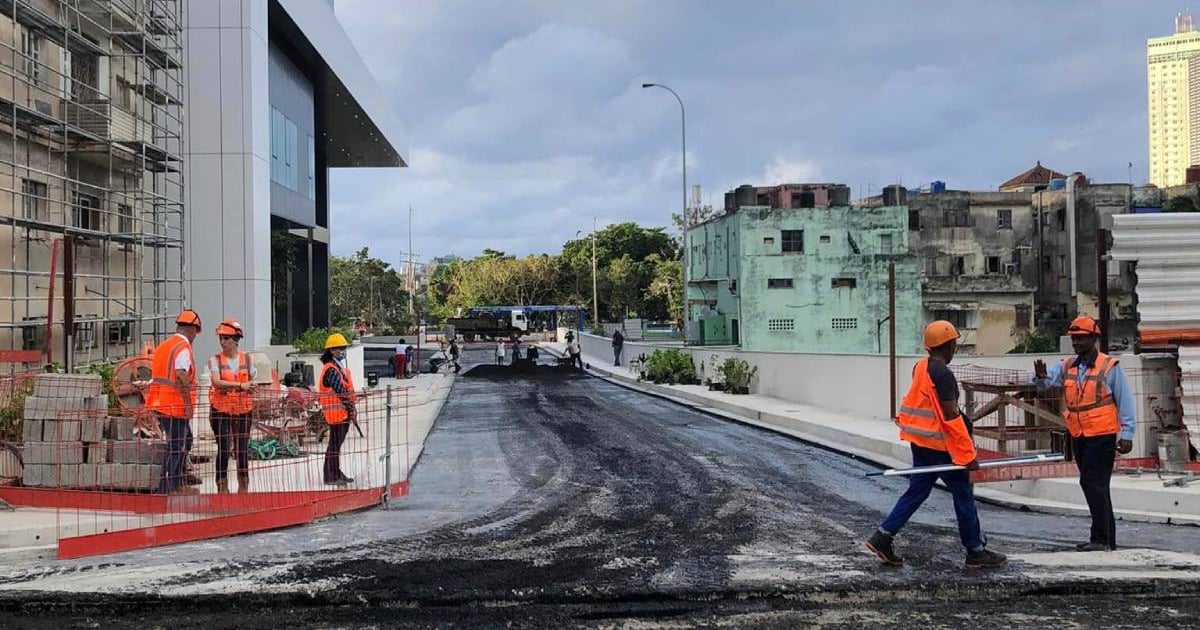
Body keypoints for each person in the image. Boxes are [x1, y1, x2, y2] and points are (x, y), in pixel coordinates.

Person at [865, 320, 1006, 569]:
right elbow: (950, 415)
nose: (955, 348)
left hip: (922, 442)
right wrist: (967, 453)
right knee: (963, 495)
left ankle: (883, 536)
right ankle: (975, 550)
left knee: (917, 491)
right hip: (943, 448)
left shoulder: (921, 367)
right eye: (954, 344)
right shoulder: (943, 374)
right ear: (948, 344)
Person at [1033, 315, 1135, 552]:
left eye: (1081, 339)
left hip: (1102, 435)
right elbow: (1046, 384)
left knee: (1092, 483)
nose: (1076, 343)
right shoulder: (1069, 365)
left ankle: (1100, 539)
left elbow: (1125, 400)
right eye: (1074, 339)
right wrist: (1040, 378)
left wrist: (1128, 433)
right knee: (1097, 486)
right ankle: (1106, 539)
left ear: (1094, 339)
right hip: (1079, 435)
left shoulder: (1109, 367)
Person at [146, 309, 201, 495]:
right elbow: (180, 375)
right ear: (193, 330)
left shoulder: (165, 345)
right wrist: (188, 404)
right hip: (175, 405)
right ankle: (167, 488)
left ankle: (178, 483)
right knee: (176, 446)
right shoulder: (182, 348)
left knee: (185, 440)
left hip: (161, 402)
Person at [208, 319, 256, 494]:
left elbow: (253, 380)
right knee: (224, 447)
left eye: (226, 338)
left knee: (242, 448)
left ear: (236, 339)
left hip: (243, 409)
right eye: (221, 338)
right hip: (221, 410)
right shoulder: (215, 360)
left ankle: (243, 485)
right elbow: (216, 381)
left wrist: (250, 387)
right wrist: (240, 386)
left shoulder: (248, 359)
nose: (222, 342)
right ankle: (222, 486)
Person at [318, 333, 357, 486]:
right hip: (336, 413)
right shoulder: (331, 370)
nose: (342, 351)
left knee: (336, 445)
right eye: (340, 349)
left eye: (343, 348)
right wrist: (351, 408)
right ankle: (330, 475)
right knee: (334, 445)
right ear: (332, 351)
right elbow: (341, 392)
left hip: (342, 412)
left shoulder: (337, 368)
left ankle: (335, 472)